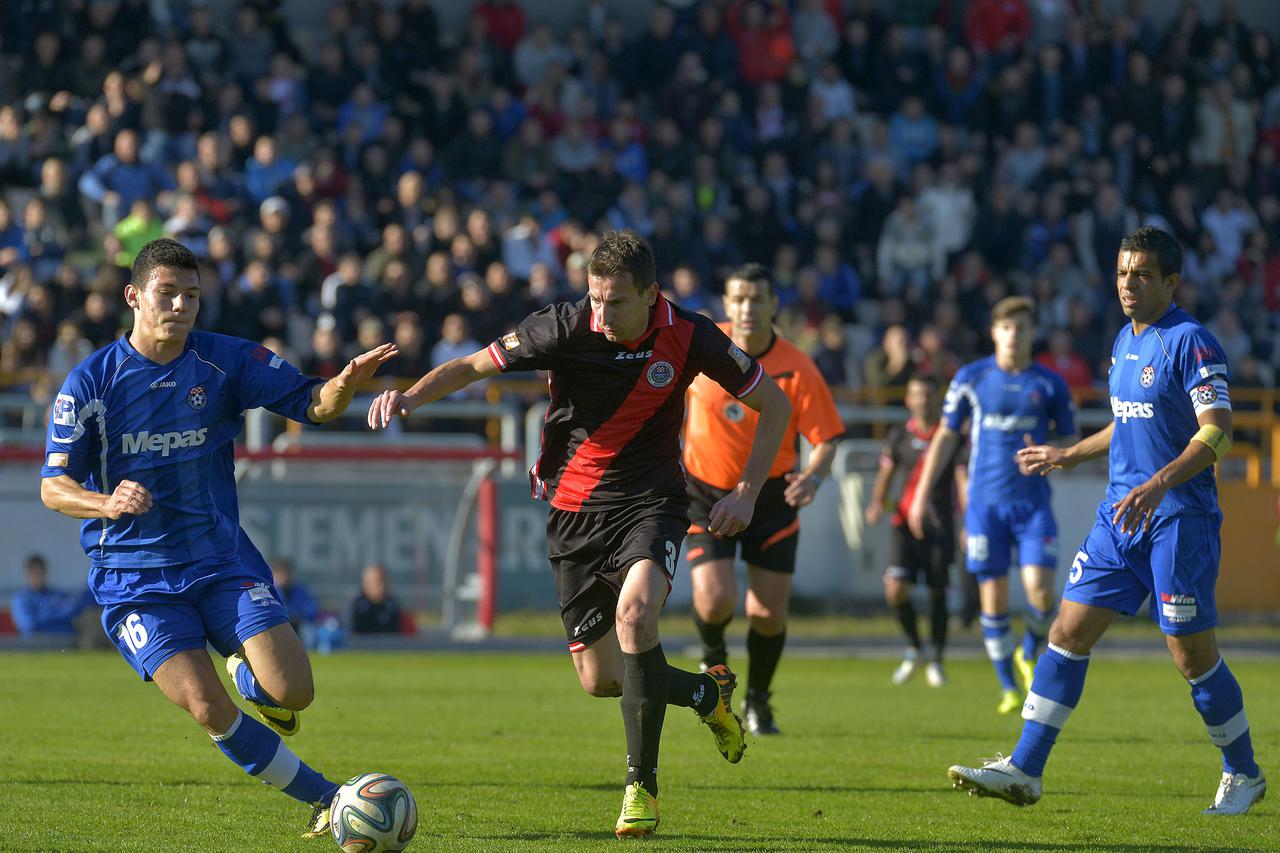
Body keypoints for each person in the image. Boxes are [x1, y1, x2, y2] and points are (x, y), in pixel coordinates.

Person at [367, 229, 791, 837]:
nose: (601, 313)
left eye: (615, 302)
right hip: (572, 512)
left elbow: (774, 406)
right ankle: (707, 696)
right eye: (594, 298)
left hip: (652, 502)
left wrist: (747, 490)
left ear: (651, 295)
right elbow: (471, 364)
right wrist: (409, 397)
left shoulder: (690, 334)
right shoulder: (564, 327)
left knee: (637, 618)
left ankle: (640, 789)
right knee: (601, 679)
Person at [39, 238, 397, 839]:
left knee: (295, 692)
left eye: (192, 295)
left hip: (218, 557)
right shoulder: (91, 383)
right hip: (135, 578)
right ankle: (328, 799)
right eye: (167, 293)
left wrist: (342, 386)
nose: (181, 305)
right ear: (134, 297)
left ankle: (251, 674)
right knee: (207, 707)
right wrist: (104, 501)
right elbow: (54, 486)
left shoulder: (225, 360)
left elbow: (313, 403)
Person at [949, 227, 1266, 814]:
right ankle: (1025, 769)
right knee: (1067, 632)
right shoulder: (1123, 341)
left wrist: (1159, 483)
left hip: (1179, 517)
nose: (1127, 283)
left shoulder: (1192, 341)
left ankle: (1242, 773)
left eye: (1142, 273)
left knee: (1190, 655)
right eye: (1122, 272)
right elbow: (1131, 420)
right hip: (1122, 515)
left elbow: (1217, 431)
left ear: (1171, 282)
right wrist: (1068, 454)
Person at [682, 263, 844, 735]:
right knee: (715, 600)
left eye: (758, 299)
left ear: (774, 306)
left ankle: (758, 700)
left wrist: (813, 477)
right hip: (705, 490)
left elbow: (827, 437)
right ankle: (716, 671)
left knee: (767, 614)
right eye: (739, 299)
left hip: (772, 497)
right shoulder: (703, 349)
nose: (748, 308)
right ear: (727, 305)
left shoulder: (798, 365)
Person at [909, 296, 1077, 714]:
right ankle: (1007, 686)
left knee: (1041, 593)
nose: (1014, 334)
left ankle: (1028, 650)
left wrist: (1053, 454)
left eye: (1021, 327)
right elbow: (946, 436)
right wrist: (923, 494)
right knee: (994, 597)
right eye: (1007, 327)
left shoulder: (1050, 384)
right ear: (994, 332)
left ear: (1032, 332)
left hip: (1033, 504)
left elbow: (1071, 443)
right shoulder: (972, 377)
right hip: (985, 506)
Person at [865, 375, 967, 687]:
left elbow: (962, 479)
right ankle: (914, 648)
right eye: (916, 394)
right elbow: (887, 472)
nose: (921, 400)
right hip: (904, 523)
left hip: (939, 525)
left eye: (927, 394)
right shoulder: (898, 436)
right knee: (895, 588)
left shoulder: (950, 437)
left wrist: (968, 519)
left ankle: (936, 659)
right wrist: (876, 502)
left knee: (939, 592)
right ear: (908, 400)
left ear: (936, 399)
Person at [10, 553, 83, 636]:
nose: (36, 577)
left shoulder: (59, 594)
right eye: (34, 574)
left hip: (63, 642)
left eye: (39, 573)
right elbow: (28, 625)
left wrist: (40, 616)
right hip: (35, 645)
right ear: (27, 574)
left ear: (45, 573)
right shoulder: (20, 599)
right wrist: (55, 613)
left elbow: (73, 612)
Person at [349, 563, 403, 635]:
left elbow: (397, 633)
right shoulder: (355, 605)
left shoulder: (393, 604)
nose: (382, 585)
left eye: (384, 580)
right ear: (366, 583)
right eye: (377, 581)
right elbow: (350, 635)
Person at [270, 557, 318, 634]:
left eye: (287, 573)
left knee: (308, 630)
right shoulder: (269, 591)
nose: (285, 577)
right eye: (281, 573)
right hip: (278, 626)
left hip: (299, 625)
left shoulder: (301, 589)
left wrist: (301, 616)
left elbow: (311, 607)